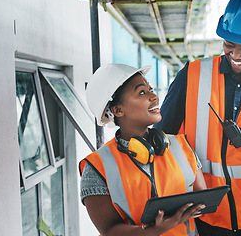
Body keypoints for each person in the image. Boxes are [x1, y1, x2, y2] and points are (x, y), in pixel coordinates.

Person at [154, 0, 241, 235]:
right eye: (229, 43)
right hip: (201, 215)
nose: (236, 54)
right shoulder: (192, 75)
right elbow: (161, 138)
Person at [79, 63, 207, 236]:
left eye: (151, 89)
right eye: (142, 92)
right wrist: (157, 229)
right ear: (118, 110)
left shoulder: (181, 145)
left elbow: (203, 197)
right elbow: (109, 230)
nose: (154, 97)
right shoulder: (97, 168)